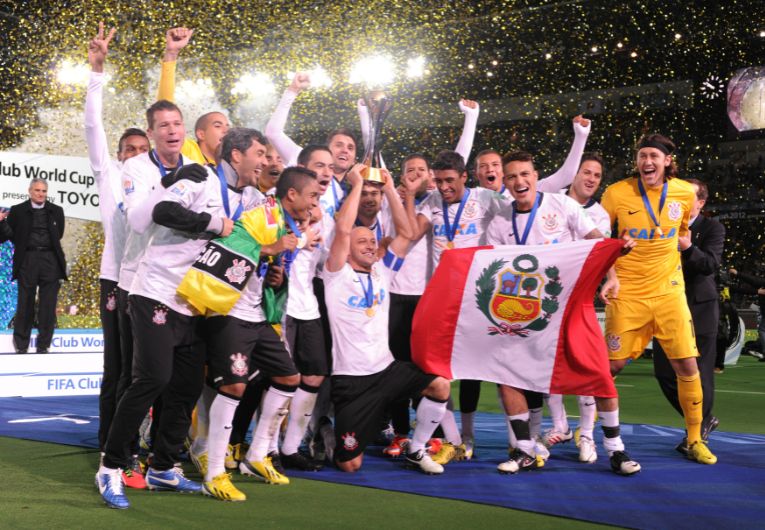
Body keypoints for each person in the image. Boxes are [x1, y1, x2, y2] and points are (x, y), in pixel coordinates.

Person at [95, 99, 228, 510]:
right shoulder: (137, 168)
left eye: (177, 123)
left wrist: (189, 214)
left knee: (186, 384)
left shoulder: (203, 174)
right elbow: (140, 220)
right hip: (147, 286)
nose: (172, 130)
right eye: (163, 125)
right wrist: (171, 192)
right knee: (148, 379)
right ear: (151, 133)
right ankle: (111, 466)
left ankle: (163, 466)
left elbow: (222, 224)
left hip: (190, 293)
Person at [486, 150, 639, 475]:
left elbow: (597, 242)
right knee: (507, 378)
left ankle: (615, 449)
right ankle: (525, 449)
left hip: (569, 304)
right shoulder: (500, 221)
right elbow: (492, 268)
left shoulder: (561, 205)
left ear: (535, 176)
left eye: (524, 174)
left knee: (598, 374)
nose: (519, 181)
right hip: (525, 312)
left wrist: (613, 272)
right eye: (512, 176)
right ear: (506, 182)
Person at [195, 162, 319, 501]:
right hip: (230, 311)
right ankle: (214, 473)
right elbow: (229, 242)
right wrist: (272, 250)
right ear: (291, 194)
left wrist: (272, 274)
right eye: (311, 195)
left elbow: (258, 263)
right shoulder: (262, 212)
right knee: (234, 385)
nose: (314, 201)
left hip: (256, 313)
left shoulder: (281, 219)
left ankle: (256, 455)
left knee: (288, 378)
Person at [325, 163, 451, 474]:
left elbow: (407, 233)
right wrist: (357, 184)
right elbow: (343, 229)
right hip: (351, 381)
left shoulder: (383, 271)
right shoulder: (335, 274)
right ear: (347, 251)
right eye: (361, 242)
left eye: (371, 241)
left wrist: (391, 187)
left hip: (385, 370)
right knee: (350, 465)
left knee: (440, 387)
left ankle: (417, 448)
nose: (369, 245)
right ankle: (327, 434)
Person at [601, 133, 717, 465]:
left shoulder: (683, 191)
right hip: (628, 295)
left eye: (653, 155)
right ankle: (586, 430)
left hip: (669, 294)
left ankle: (695, 439)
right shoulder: (616, 193)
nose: (647, 162)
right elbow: (595, 233)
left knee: (687, 365)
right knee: (612, 366)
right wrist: (610, 270)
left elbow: (680, 232)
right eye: (642, 156)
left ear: (667, 161)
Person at [84, 22, 151, 488]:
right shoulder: (108, 174)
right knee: (118, 368)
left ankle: (130, 444)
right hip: (115, 282)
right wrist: (97, 71)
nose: (132, 155)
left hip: (150, 284)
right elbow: (91, 126)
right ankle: (113, 447)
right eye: (126, 149)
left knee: (140, 371)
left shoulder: (160, 180)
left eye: (139, 149)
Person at [542, 153, 611, 463]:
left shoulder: (600, 216)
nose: (592, 178)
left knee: (584, 366)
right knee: (546, 365)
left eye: (597, 175)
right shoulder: (550, 200)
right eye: (587, 172)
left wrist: (610, 278)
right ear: (574, 173)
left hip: (578, 297)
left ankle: (586, 434)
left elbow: (600, 256)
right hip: (546, 298)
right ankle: (559, 425)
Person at [652, 178, 724, 454]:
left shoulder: (712, 227)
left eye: (687, 196)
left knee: (700, 372)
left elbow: (710, 265)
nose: (679, 200)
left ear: (701, 202)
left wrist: (688, 248)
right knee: (664, 374)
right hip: (665, 308)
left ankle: (697, 433)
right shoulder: (662, 223)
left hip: (699, 309)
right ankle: (702, 420)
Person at [0, 178, 66, 354]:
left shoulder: (56, 211)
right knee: (25, 303)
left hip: (50, 260)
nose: (41, 194)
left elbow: (58, 234)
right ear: (30, 191)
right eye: (37, 190)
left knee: (48, 305)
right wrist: (0, 223)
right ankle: (21, 346)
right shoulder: (18, 210)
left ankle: (43, 346)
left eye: (44, 191)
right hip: (27, 259)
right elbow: (8, 236)